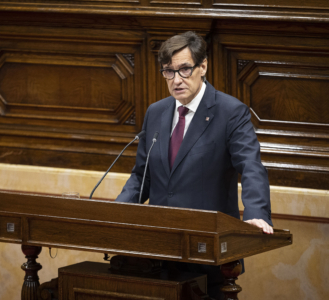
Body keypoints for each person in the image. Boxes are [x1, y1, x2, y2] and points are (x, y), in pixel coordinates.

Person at [115, 31, 273, 299]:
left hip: (208, 254)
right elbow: (142, 177)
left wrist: (256, 213)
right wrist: (116, 213)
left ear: (203, 67)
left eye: (184, 69)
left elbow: (250, 165)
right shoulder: (156, 112)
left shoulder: (230, 112)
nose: (176, 80)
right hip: (158, 254)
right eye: (168, 71)